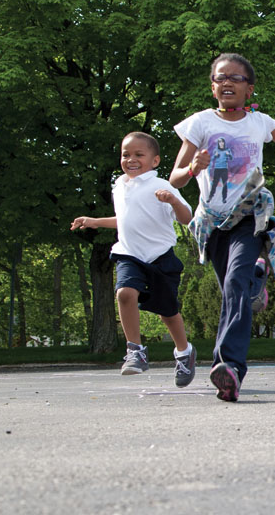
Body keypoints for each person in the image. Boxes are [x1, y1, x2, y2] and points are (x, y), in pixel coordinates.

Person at [170, 53, 275, 402]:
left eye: (235, 77)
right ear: (212, 86)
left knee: (234, 283)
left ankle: (229, 367)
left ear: (249, 88)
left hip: (249, 217)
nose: (227, 82)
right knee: (234, 294)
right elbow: (175, 179)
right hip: (213, 223)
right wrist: (191, 169)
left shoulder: (260, 122)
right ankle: (256, 283)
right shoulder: (199, 124)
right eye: (220, 77)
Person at [71, 132, 196, 387]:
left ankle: (184, 352)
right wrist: (95, 221)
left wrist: (172, 199)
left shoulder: (161, 186)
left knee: (168, 313)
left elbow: (186, 217)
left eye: (139, 154)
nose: (131, 159)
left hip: (160, 258)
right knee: (125, 294)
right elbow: (127, 219)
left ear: (155, 160)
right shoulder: (119, 185)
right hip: (129, 253)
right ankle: (135, 350)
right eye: (126, 154)